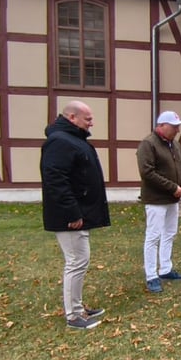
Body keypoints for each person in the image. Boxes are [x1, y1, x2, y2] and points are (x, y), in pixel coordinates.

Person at [40, 100, 110, 330]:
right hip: (69, 216)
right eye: (88, 119)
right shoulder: (59, 142)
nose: (92, 123)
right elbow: (55, 180)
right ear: (72, 117)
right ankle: (73, 316)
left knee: (80, 260)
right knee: (76, 261)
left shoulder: (72, 139)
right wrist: (72, 212)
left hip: (80, 212)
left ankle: (78, 307)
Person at [137, 110, 181, 294]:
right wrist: (172, 187)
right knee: (153, 236)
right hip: (155, 199)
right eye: (174, 127)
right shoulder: (148, 144)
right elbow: (147, 172)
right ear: (161, 126)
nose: (177, 130)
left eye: (178, 127)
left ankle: (165, 269)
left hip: (172, 199)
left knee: (169, 233)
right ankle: (151, 275)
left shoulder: (174, 145)